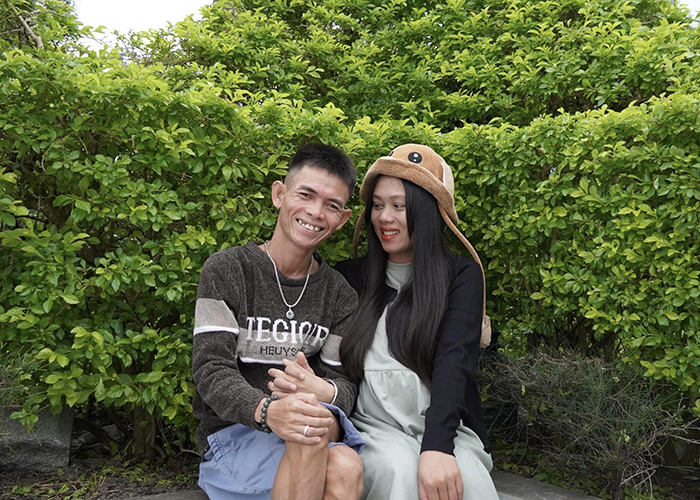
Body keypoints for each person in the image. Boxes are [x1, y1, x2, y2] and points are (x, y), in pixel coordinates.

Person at [272, 144, 497, 500]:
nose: (384, 218)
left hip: (443, 427)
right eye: (377, 205)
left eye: (399, 206)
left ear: (427, 211)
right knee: (397, 472)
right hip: (370, 427)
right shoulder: (350, 277)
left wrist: (437, 447)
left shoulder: (460, 276)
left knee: (465, 481)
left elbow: (455, 362)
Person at [192, 143, 364, 500]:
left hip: (307, 429)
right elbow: (210, 368)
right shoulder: (228, 270)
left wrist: (324, 392)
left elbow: (345, 384)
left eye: (332, 205)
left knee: (344, 464)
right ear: (279, 194)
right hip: (234, 434)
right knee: (316, 441)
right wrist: (268, 411)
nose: (315, 212)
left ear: (343, 218)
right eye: (306, 195)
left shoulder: (340, 295)